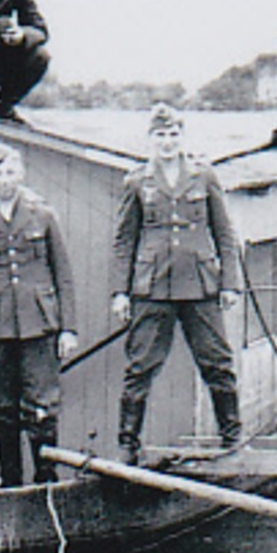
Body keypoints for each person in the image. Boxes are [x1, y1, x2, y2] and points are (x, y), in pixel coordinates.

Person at [110, 104, 243, 464]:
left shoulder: (204, 176)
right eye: (160, 135)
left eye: (173, 135)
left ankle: (232, 436)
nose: (167, 142)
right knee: (140, 365)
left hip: (199, 285)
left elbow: (225, 234)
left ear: (182, 137)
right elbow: (124, 240)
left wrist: (230, 283)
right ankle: (128, 443)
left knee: (216, 360)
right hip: (152, 287)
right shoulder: (137, 181)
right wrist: (120, 292)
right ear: (150, 140)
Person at [0, 142, 78, 487]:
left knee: (42, 407)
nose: (4, 180)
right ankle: (9, 481)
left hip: (40, 325)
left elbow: (62, 274)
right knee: (2, 409)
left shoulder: (43, 216)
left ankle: (45, 481)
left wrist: (68, 329)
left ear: (21, 175)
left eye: (10, 172)